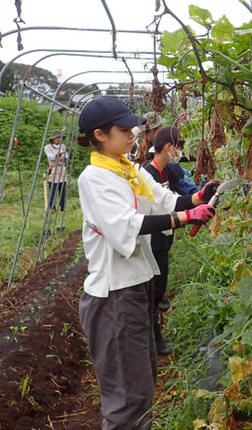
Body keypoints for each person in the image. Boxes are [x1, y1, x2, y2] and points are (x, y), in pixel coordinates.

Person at [75, 97, 217, 429]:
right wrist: (185, 218)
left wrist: (200, 197)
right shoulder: (94, 178)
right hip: (113, 297)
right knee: (128, 397)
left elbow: (165, 201)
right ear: (99, 135)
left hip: (136, 290)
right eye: (124, 130)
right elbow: (128, 224)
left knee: (141, 386)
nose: (133, 135)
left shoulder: (132, 170)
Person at [140, 125, 219, 354]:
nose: (181, 152)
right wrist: (189, 215)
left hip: (164, 240)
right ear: (169, 147)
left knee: (159, 288)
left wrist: (203, 195)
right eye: (180, 146)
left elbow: (175, 200)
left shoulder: (168, 172)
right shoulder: (148, 173)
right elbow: (158, 210)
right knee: (153, 292)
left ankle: (154, 340)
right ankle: (152, 342)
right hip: (151, 240)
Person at [44, 131, 68, 212]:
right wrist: (58, 156)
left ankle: (62, 207)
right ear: (53, 139)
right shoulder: (47, 147)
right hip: (53, 169)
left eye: (60, 138)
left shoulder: (63, 146)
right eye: (57, 138)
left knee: (62, 189)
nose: (59, 140)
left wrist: (63, 157)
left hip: (62, 169)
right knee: (53, 189)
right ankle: (52, 207)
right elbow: (51, 157)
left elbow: (66, 156)